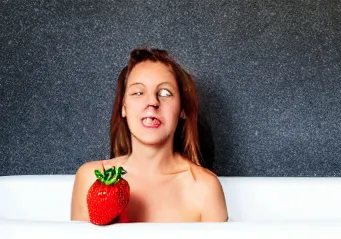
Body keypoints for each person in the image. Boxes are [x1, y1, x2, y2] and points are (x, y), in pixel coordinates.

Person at [71, 48, 228, 222]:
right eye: (138, 92)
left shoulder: (205, 189)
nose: (152, 102)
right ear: (124, 107)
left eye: (165, 93)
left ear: (182, 108)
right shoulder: (92, 178)